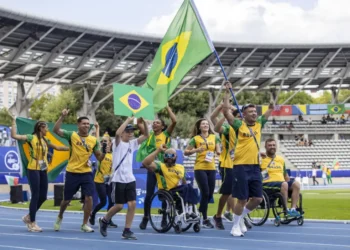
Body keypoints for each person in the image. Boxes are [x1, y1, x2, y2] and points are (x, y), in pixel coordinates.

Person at [222, 81, 273, 237]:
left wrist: (273, 100)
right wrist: (227, 92)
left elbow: (270, 109)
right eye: (250, 112)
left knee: (257, 199)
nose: (254, 113)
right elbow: (225, 112)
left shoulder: (259, 124)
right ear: (244, 114)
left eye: (255, 111)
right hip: (241, 166)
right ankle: (235, 226)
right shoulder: (239, 125)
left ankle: (240, 218)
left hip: (255, 167)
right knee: (242, 199)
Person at [53, 109, 107, 233]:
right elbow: (56, 130)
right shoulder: (72, 135)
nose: (86, 126)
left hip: (86, 172)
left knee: (89, 198)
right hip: (72, 172)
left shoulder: (93, 140)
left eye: (88, 124)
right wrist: (62, 116)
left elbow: (99, 157)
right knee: (66, 200)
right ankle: (60, 216)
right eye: (84, 123)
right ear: (78, 125)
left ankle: (84, 224)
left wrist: (104, 152)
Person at [11, 118, 69, 232]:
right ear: (40, 128)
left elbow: (57, 147)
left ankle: (28, 216)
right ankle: (32, 223)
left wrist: (71, 149)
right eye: (46, 127)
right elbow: (14, 136)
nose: (47, 129)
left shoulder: (45, 140)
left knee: (43, 197)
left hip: (43, 169)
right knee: (36, 195)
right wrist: (13, 122)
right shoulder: (30, 137)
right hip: (33, 169)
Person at [99, 116, 149, 239]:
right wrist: (128, 120)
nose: (130, 133)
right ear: (123, 133)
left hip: (130, 178)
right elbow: (116, 133)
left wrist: (145, 123)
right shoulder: (117, 143)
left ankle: (127, 230)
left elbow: (147, 135)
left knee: (132, 204)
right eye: (127, 131)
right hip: (118, 178)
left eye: (132, 131)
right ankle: (105, 220)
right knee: (119, 205)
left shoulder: (133, 144)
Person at [138, 105, 177, 230]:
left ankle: (165, 219)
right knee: (149, 194)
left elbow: (174, 121)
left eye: (157, 123)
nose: (154, 124)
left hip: (165, 169)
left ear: (162, 126)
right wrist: (141, 109)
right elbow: (139, 122)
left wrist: (167, 107)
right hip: (152, 168)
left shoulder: (166, 134)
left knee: (165, 194)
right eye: (153, 122)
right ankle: (145, 218)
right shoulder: (148, 135)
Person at [142, 144, 199, 223]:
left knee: (189, 187)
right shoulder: (160, 166)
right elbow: (145, 163)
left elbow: (184, 182)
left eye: (172, 155)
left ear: (176, 157)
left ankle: (189, 211)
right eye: (167, 155)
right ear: (164, 157)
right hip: (166, 190)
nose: (169, 157)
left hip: (176, 190)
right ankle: (186, 212)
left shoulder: (181, 167)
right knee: (186, 188)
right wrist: (158, 150)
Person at [184, 118, 220, 228]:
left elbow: (218, 149)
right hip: (200, 168)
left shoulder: (214, 137)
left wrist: (219, 152)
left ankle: (199, 211)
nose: (205, 125)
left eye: (207, 124)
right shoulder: (195, 139)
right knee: (205, 192)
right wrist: (195, 150)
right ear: (199, 127)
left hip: (211, 167)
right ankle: (204, 218)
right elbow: (186, 152)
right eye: (203, 124)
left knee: (209, 194)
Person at [210, 103, 238, 229]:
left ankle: (232, 213)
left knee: (239, 192)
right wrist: (223, 107)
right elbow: (213, 119)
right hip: (228, 164)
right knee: (228, 192)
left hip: (241, 163)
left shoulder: (245, 129)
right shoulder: (227, 128)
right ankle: (219, 215)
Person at [261, 138, 300, 217]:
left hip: (282, 183)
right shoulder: (261, 159)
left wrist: (290, 184)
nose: (272, 147)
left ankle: (293, 209)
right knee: (284, 184)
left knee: (296, 184)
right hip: (267, 184)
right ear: (265, 147)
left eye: (274, 145)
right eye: (270, 145)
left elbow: (285, 175)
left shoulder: (281, 159)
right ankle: (286, 210)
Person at [89, 131, 117, 228]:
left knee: (112, 201)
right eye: (103, 142)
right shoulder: (100, 153)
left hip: (109, 181)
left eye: (107, 142)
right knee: (103, 201)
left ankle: (108, 219)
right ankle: (93, 214)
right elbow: (96, 141)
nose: (105, 144)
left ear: (111, 143)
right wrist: (97, 129)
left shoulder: (113, 155)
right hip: (99, 180)